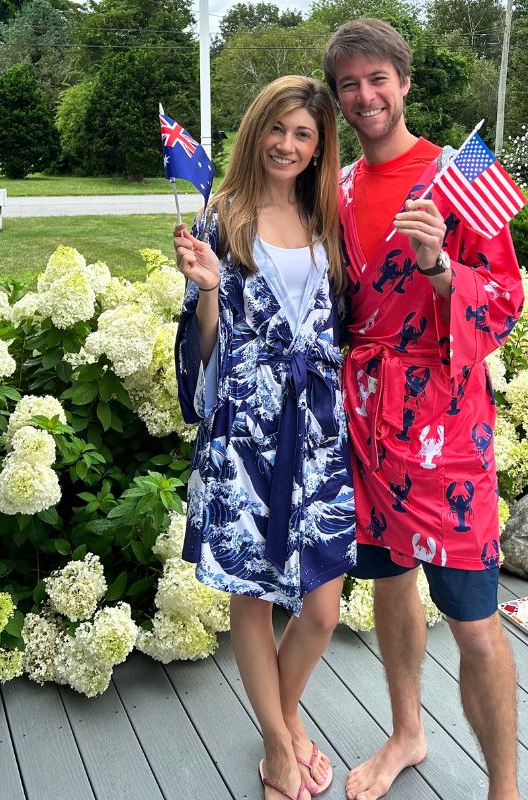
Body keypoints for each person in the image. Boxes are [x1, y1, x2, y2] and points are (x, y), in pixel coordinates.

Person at [322, 19, 525, 800]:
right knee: (389, 580)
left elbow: (505, 300)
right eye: (349, 83)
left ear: (404, 82)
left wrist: (439, 264)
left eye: (378, 78)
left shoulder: (458, 174)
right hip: (366, 417)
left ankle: (504, 789)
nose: (365, 95)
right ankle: (407, 732)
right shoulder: (337, 188)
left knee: (474, 620)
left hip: (446, 423)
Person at [173, 75, 355, 800]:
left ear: (319, 147)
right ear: (256, 132)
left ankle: (283, 713)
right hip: (247, 433)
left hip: (318, 433)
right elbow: (204, 347)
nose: (287, 144)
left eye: (303, 134)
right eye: (277, 128)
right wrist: (208, 287)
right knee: (250, 594)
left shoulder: (328, 217)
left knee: (322, 610)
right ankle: (280, 744)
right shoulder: (222, 217)